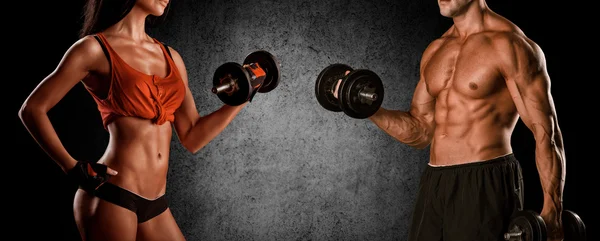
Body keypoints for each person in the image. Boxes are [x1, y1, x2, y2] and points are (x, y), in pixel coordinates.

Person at [18, 0, 253, 240]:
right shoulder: (93, 49)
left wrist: (246, 95)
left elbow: (193, 135)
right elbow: (32, 109)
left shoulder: (171, 57)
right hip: (112, 193)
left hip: (157, 202)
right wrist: (72, 168)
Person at [365, 0, 565, 240]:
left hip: (485, 181)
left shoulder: (509, 45)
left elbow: (546, 132)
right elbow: (420, 131)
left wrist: (553, 211)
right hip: (435, 182)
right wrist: (366, 108)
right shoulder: (436, 49)